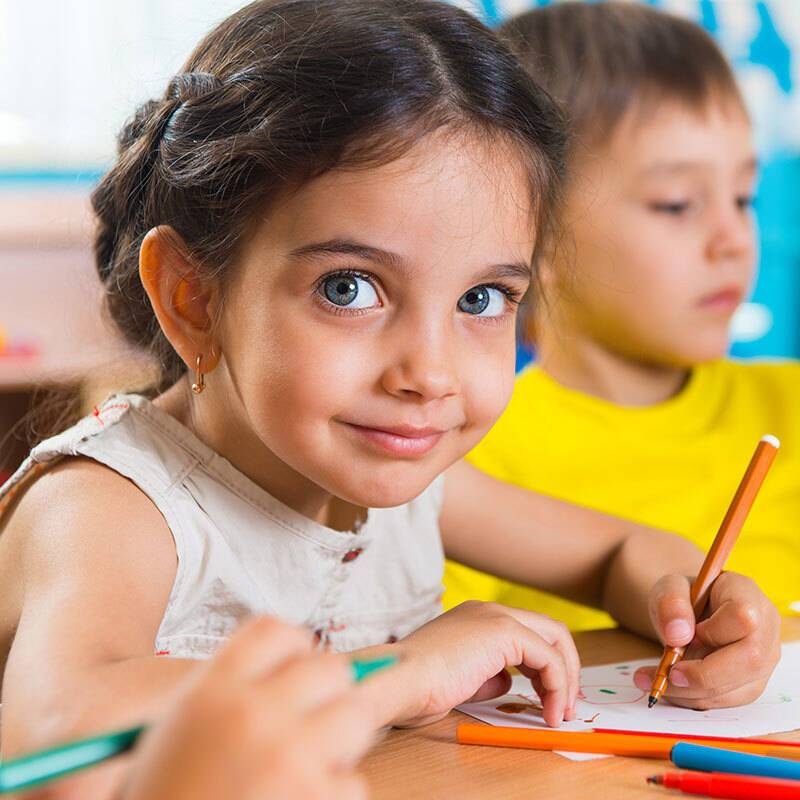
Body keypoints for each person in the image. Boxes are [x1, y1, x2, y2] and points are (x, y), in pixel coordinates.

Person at [0, 3, 779, 798]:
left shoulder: (407, 485)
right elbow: (56, 738)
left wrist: (703, 606)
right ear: (192, 297)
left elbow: (619, 555)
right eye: (350, 288)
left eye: (481, 299)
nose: (429, 373)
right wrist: (394, 673)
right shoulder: (114, 507)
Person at [445, 1, 800, 642]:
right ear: (535, 239)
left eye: (744, 197)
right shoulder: (465, 455)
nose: (733, 239)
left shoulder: (792, 408)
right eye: (677, 204)